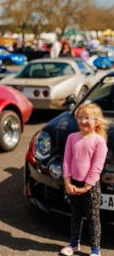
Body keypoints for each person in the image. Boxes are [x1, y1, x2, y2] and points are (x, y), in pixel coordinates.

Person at [60, 103, 108, 256]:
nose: (83, 121)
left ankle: (95, 250)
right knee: (75, 215)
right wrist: (67, 182)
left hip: (90, 186)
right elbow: (67, 161)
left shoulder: (99, 141)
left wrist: (86, 187)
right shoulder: (72, 137)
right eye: (80, 117)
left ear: (97, 121)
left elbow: (96, 167)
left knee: (93, 218)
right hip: (73, 184)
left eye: (88, 118)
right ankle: (74, 244)